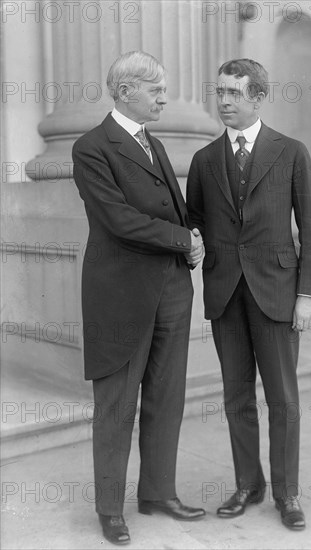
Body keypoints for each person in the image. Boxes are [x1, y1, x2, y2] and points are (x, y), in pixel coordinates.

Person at [186, 58, 311, 530]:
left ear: (258, 96)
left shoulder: (290, 152)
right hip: (226, 291)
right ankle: (249, 483)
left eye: (233, 92)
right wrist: (195, 246)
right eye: (220, 92)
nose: (223, 101)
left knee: (283, 399)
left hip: (278, 292)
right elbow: (197, 220)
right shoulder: (206, 160)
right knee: (236, 396)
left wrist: (308, 294)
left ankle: (286, 492)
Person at [72, 51, 205, 546]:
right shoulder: (91, 147)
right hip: (121, 294)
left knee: (167, 397)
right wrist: (181, 239)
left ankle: (157, 493)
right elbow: (117, 220)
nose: (164, 97)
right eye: (156, 89)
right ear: (125, 90)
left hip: (171, 287)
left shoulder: (154, 143)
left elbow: (177, 208)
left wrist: (194, 234)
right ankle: (110, 508)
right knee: (116, 405)